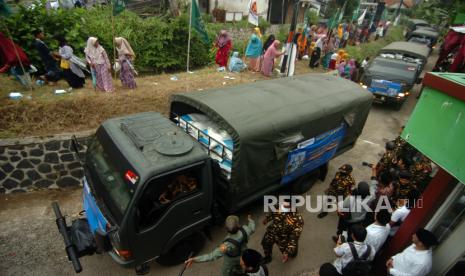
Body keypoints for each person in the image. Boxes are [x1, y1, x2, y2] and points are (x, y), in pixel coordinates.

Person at [185, 215, 255, 276]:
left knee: (225, 272)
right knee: (241, 268)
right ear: (238, 225)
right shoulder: (245, 229)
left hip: (231, 260)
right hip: (243, 256)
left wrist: (195, 259)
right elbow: (252, 228)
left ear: (226, 229)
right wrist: (250, 220)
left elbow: (211, 256)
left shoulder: (226, 245)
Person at [261, 200, 304, 264]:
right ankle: (268, 257)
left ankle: (291, 252)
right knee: (265, 243)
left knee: (291, 254)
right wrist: (266, 219)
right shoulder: (278, 205)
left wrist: (287, 252)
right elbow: (272, 213)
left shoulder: (298, 220)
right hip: (272, 231)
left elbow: (294, 238)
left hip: (284, 238)